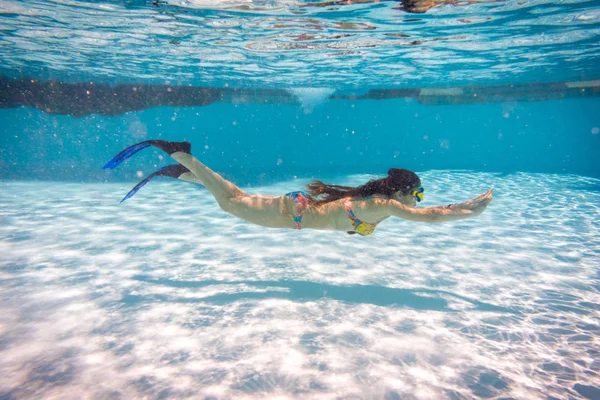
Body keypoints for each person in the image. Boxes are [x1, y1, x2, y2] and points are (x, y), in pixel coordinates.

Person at [103, 140, 493, 236]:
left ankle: (183, 173)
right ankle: (184, 158)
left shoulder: (372, 202)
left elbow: (426, 211)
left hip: (297, 212)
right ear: (403, 192)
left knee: (235, 199)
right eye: (418, 193)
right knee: (231, 202)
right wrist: (467, 210)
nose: (418, 200)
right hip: (294, 214)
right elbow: (430, 217)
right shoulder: (382, 205)